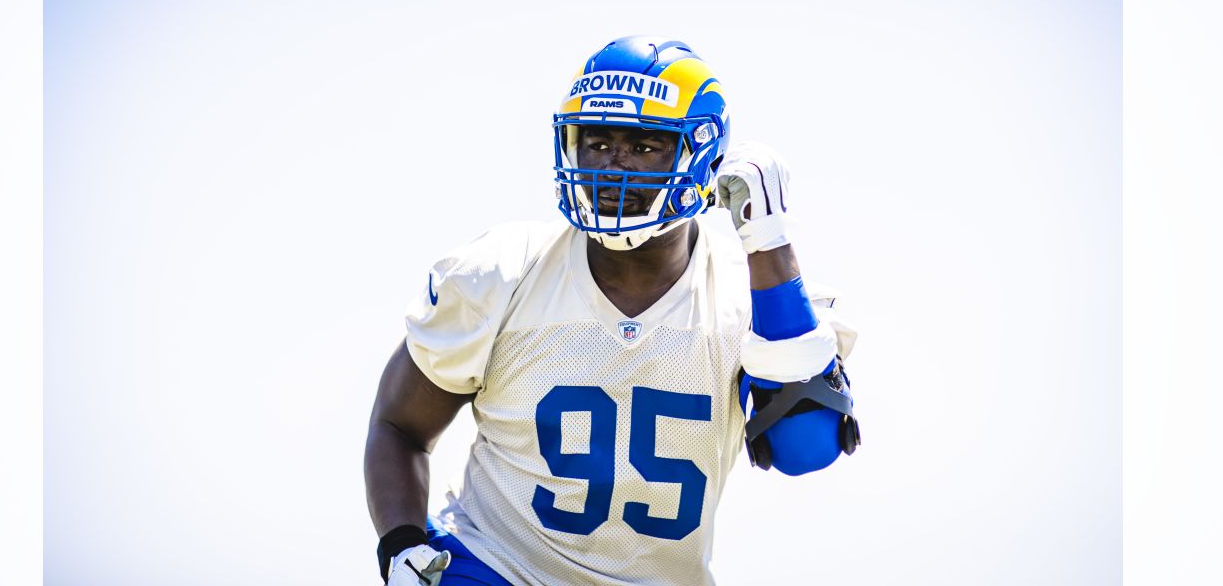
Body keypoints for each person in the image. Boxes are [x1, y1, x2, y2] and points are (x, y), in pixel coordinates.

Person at [364, 36, 860, 586]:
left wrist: (767, 239)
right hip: (497, 566)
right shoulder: (503, 272)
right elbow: (399, 424)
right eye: (597, 142)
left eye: (644, 147)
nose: (611, 167)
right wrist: (402, 544)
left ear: (702, 158)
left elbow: (803, 450)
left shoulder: (748, 293)